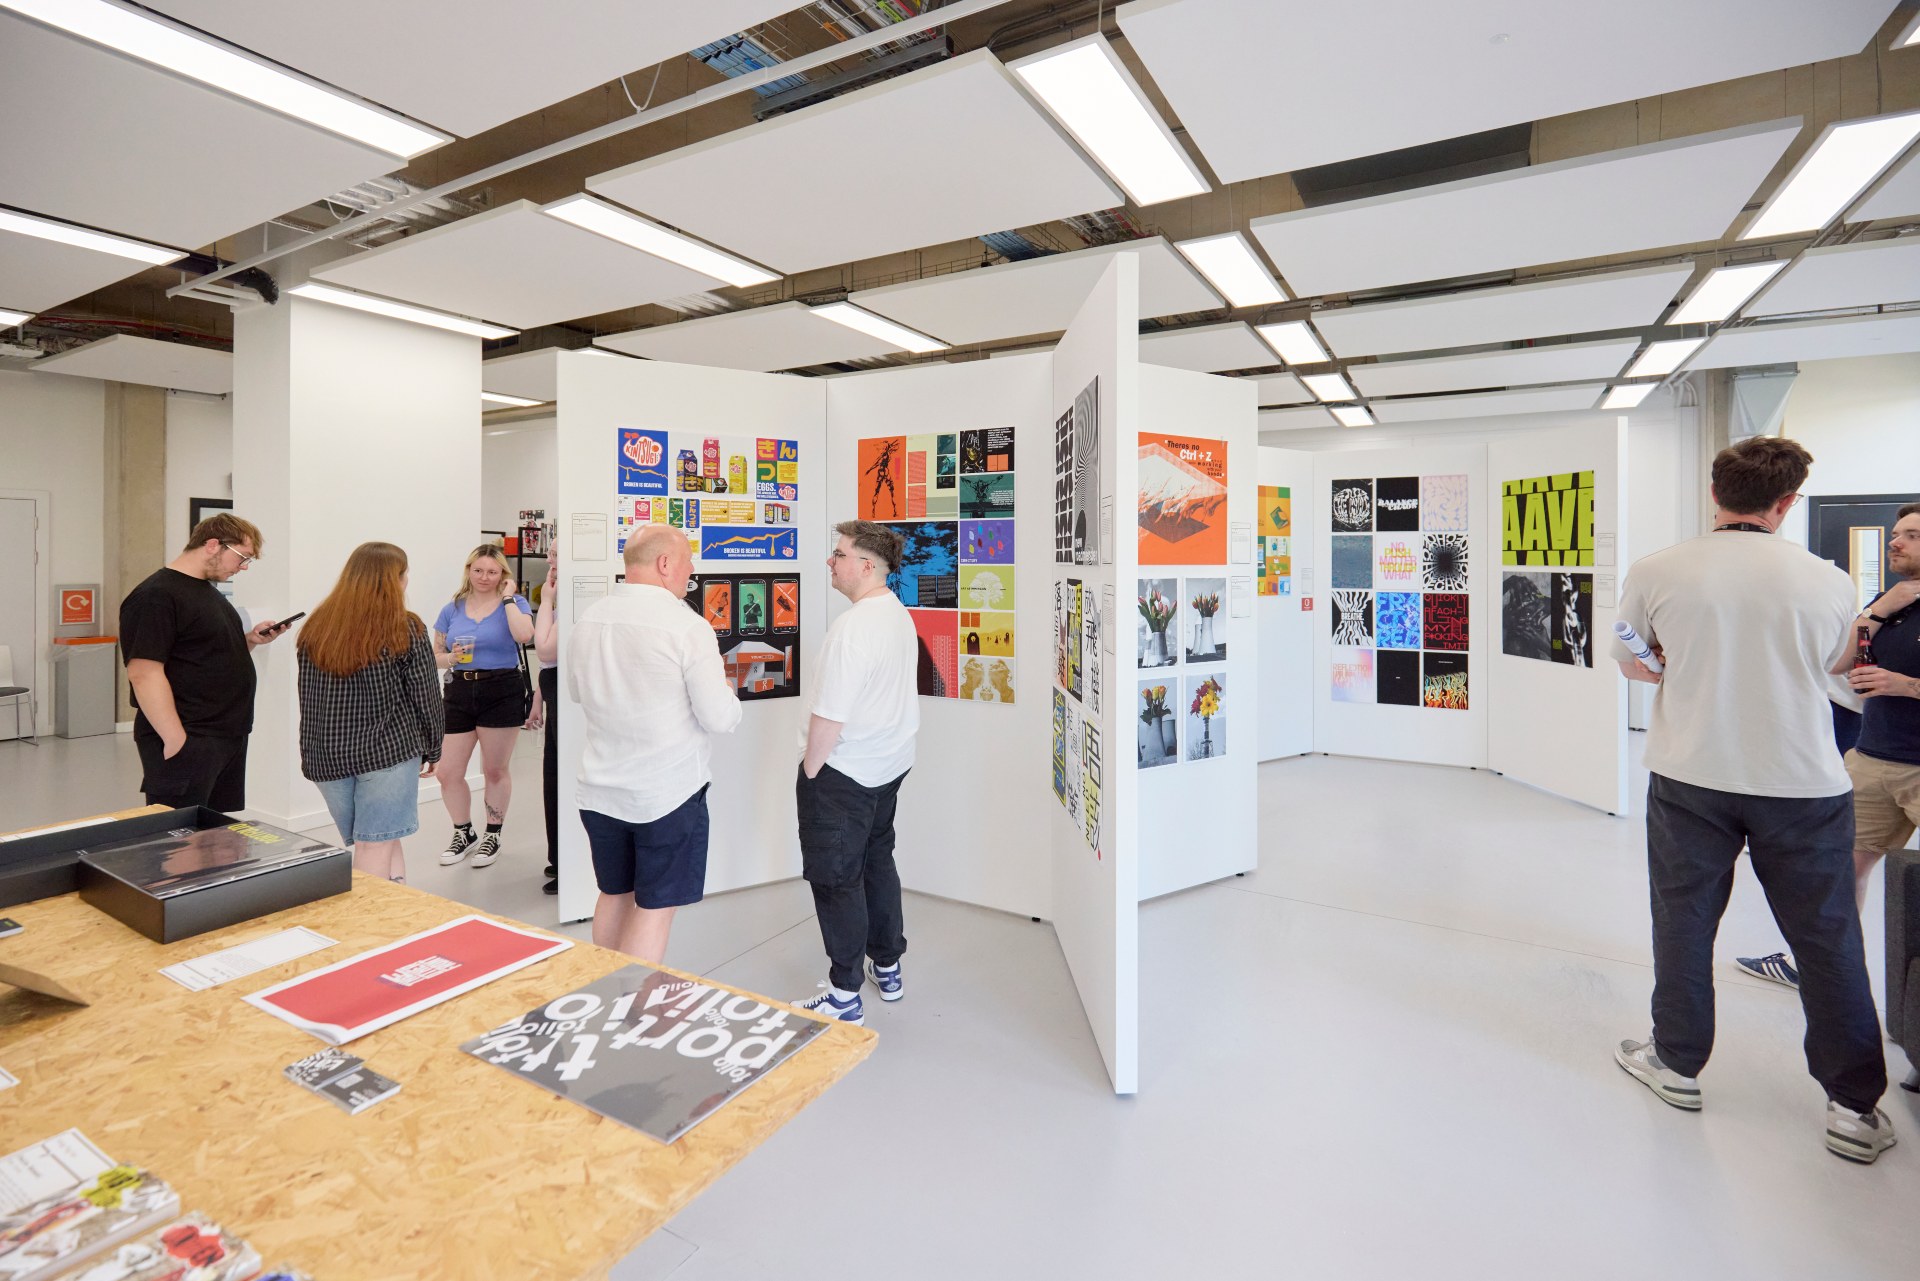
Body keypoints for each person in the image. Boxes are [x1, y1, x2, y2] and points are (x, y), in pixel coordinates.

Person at [1610, 436, 1892, 1164]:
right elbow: (1837, 668)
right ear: (1786, 502)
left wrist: (1679, 660)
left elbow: (1633, 660)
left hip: (1690, 773)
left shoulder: (1657, 569)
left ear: (1715, 494)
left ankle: (1674, 1061)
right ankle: (1854, 1108)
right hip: (1801, 782)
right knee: (1827, 940)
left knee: (1682, 922)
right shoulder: (1829, 581)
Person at [1737, 506, 1920, 989]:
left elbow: (1894, 682)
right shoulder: (1890, 601)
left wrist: (1906, 685)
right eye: (1897, 534)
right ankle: (1820, 971)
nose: (1896, 542)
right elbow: (1840, 663)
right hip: (1874, 759)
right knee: (1841, 872)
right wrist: (1877, 612)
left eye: (1912, 536)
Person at [567, 526, 741, 962]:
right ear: (664, 564)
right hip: (666, 795)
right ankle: (634, 1012)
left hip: (600, 790)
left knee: (613, 894)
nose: (691, 572)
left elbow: (575, 691)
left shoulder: (590, 618)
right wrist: (726, 688)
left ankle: (605, 997)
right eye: (687, 563)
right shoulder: (686, 626)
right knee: (655, 909)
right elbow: (720, 717)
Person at [792, 521, 919, 1027]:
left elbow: (830, 713)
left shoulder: (853, 628)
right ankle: (886, 965)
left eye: (839, 554)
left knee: (836, 877)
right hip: (887, 766)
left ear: (866, 566)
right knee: (876, 862)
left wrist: (811, 769)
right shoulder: (894, 613)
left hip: (845, 774)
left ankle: (844, 993)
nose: (831, 561)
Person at [119, 513, 290, 811]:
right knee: (179, 840)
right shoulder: (155, 596)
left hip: (225, 735)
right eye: (242, 557)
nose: (244, 567)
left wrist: (250, 639)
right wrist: (175, 739)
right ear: (213, 545)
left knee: (215, 835)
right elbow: (143, 673)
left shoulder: (207, 592)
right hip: (190, 736)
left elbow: (205, 654)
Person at [296, 542, 443, 883]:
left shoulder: (318, 626)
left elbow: (310, 698)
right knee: (373, 845)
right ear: (395, 579)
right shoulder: (405, 627)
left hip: (326, 756)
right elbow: (426, 696)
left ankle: (397, 913)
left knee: (379, 838)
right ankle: (374, 929)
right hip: (386, 753)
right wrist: (434, 747)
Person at [431, 545, 534, 869]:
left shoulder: (514, 604)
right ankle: (464, 832)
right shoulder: (453, 608)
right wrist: (450, 658)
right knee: (447, 772)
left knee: (494, 769)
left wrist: (507, 599)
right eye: (478, 570)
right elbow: (434, 654)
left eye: (492, 571)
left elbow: (525, 635)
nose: (484, 577)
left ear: (503, 575)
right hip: (459, 687)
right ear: (469, 571)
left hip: (501, 688)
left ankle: (493, 833)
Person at [532, 560, 561, 895]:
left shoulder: (565, 598)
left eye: (556, 554)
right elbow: (548, 664)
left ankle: (566, 861)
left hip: (566, 693)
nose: (550, 561)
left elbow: (544, 648)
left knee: (560, 776)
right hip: (553, 687)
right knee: (552, 775)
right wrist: (538, 696)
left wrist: (549, 601)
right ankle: (558, 858)